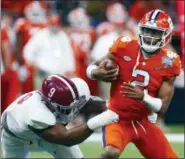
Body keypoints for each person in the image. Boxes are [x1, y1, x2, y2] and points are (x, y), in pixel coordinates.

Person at [86, 9, 181, 158]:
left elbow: (162, 106)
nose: (150, 36)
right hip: (116, 117)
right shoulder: (124, 45)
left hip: (144, 122)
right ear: (140, 30)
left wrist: (143, 97)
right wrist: (94, 72)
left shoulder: (170, 61)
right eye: (147, 31)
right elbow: (94, 65)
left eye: (156, 32)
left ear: (167, 35)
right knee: (111, 152)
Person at [1, 75, 119, 158]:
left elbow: (89, 102)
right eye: (64, 109)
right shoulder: (36, 112)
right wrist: (98, 121)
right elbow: (65, 139)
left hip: (49, 130)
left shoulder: (75, 90)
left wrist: (114, 107)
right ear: (50, 104)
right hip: (15, 138)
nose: (71, 110)